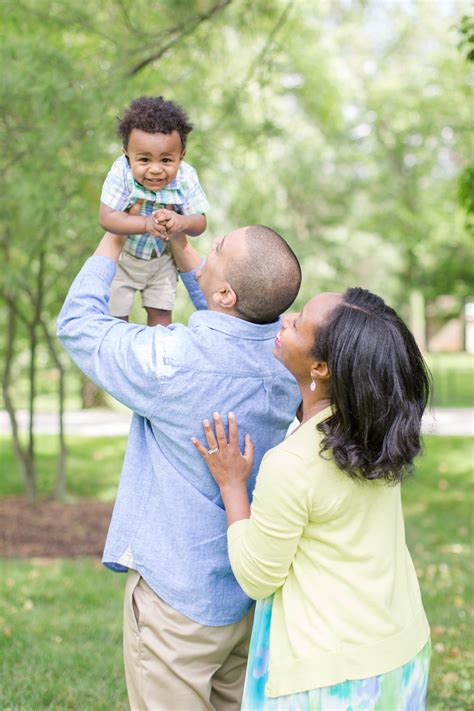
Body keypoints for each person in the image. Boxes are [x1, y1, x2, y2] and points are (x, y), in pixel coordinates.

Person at [57, 227, 302, 710]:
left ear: (227, 293)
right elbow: (233, 316)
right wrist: (182, 248)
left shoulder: (171, 363)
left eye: (218, 248)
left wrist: (111, 241)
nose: (207, 248)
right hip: (248, 593)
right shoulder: (288, 358)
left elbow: (78, 327)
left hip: (178, 601)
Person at [193, 287, 432, 710]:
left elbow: (257, 576)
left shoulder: (291, 464)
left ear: (320, 366)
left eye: (299, 323)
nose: (286, 319)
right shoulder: (375, 432)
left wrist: (232, 485)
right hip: (401, 650)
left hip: (330, 679)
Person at [100, 95, 209, 327]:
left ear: (181, 156)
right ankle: (123, 359)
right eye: (144, 160)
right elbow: (107, 218)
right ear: (127, 155)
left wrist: (181, 221)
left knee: (161, 317)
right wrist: (146, 224)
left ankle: (157, 360)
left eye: (167, 160)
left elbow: (200, 222)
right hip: (124, 259)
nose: (155, 170)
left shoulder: (186, 176)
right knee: (115, 318)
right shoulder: (121, 172)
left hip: (162, 260)